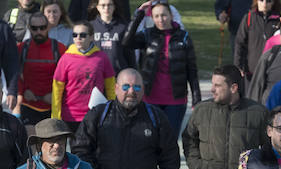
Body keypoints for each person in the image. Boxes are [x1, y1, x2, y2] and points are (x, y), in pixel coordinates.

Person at [73, 68, 181, 169]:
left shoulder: (156, 118)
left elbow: (170, 157)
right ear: (116, 88)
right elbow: (80, 148)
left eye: (137, 87)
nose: (131, 91)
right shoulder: (99, 115)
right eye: (126, 87)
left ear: (143, 90)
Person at [124, 0, 201, 137]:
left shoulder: (184, 37)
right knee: (149, 139)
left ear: (171, 15)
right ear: (152, 18)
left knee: (169, 139)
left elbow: (192, 70)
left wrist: (196, 99)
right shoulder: (147, 35)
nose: (161, 20)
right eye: (156, 16)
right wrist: (139, 15)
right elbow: (126, 41)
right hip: (150, 98)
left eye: (164, 15)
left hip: (175, 100)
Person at [51, 20, 116, 132]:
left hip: (95, 114)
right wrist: (56, 116)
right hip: (70, 116)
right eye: (75, 35)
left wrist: (113, 110)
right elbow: (57, 89)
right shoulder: (66, 58)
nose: (78, 38)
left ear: (91, 37)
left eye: (83, 35)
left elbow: (110, 86)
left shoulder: (102, 58)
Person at [17, 12, 67, 125]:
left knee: (50, 142)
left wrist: (55, 94)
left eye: (42, 28)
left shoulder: (60, 49)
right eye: (34, 28)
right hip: (28, 104)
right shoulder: (22, 48)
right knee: (30, 141)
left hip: (53, 106)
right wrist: (22, 91)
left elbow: (68, 78)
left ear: (48, 27)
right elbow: (13, 72)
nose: (39, 32)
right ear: (29, 28)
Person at [234, 0, 281, 81]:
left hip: (271, 69)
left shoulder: (279, 19)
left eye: (268, 1)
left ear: (273, 2)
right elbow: (239, 43)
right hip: (251, 70)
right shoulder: (249, 18)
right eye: (261, 0)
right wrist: (238, 66)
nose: (264, 4)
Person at [89, 0, 136, 75]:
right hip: (96, 74)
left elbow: (130, 53)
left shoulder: (123, 27)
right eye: (103, 5)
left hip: (118, 74)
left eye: (109, 5)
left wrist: (133, 72)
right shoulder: (90, 27)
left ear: (114, 6)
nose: (106, 8)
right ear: (97, 7)